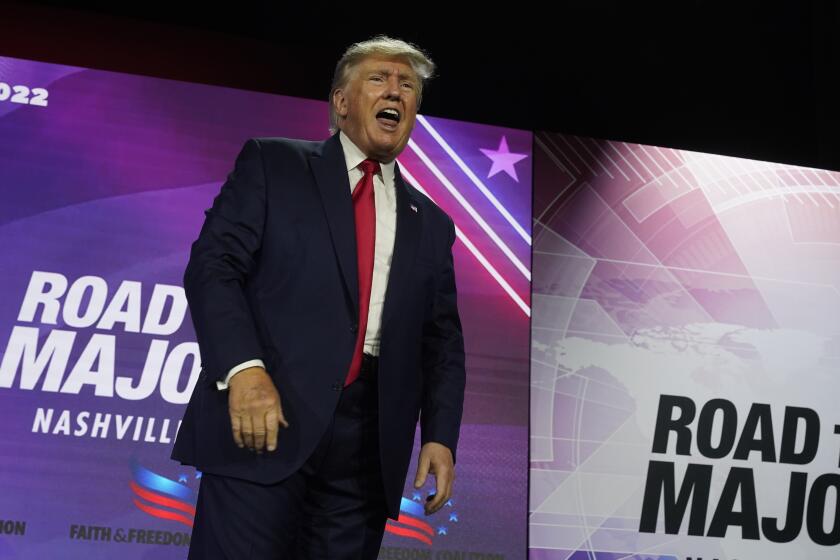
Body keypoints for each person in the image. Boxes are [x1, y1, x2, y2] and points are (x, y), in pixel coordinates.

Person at [171, 35, 466, 559]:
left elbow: (441, 340)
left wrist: (440, 436)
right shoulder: (275, 164)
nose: (395, 90)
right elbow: (213, 267)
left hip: (366, 453)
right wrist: (244, 370)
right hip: (265, 420)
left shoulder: (434, 224)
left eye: (408, 85)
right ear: (341, 101)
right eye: (379, 78)